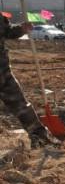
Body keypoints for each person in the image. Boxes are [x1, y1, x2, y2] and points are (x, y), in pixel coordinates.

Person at [0, 15, 59, 147]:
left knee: (21, 104)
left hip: (3, 72)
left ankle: (39, 137)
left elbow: (8, 32)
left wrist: (21, 29)